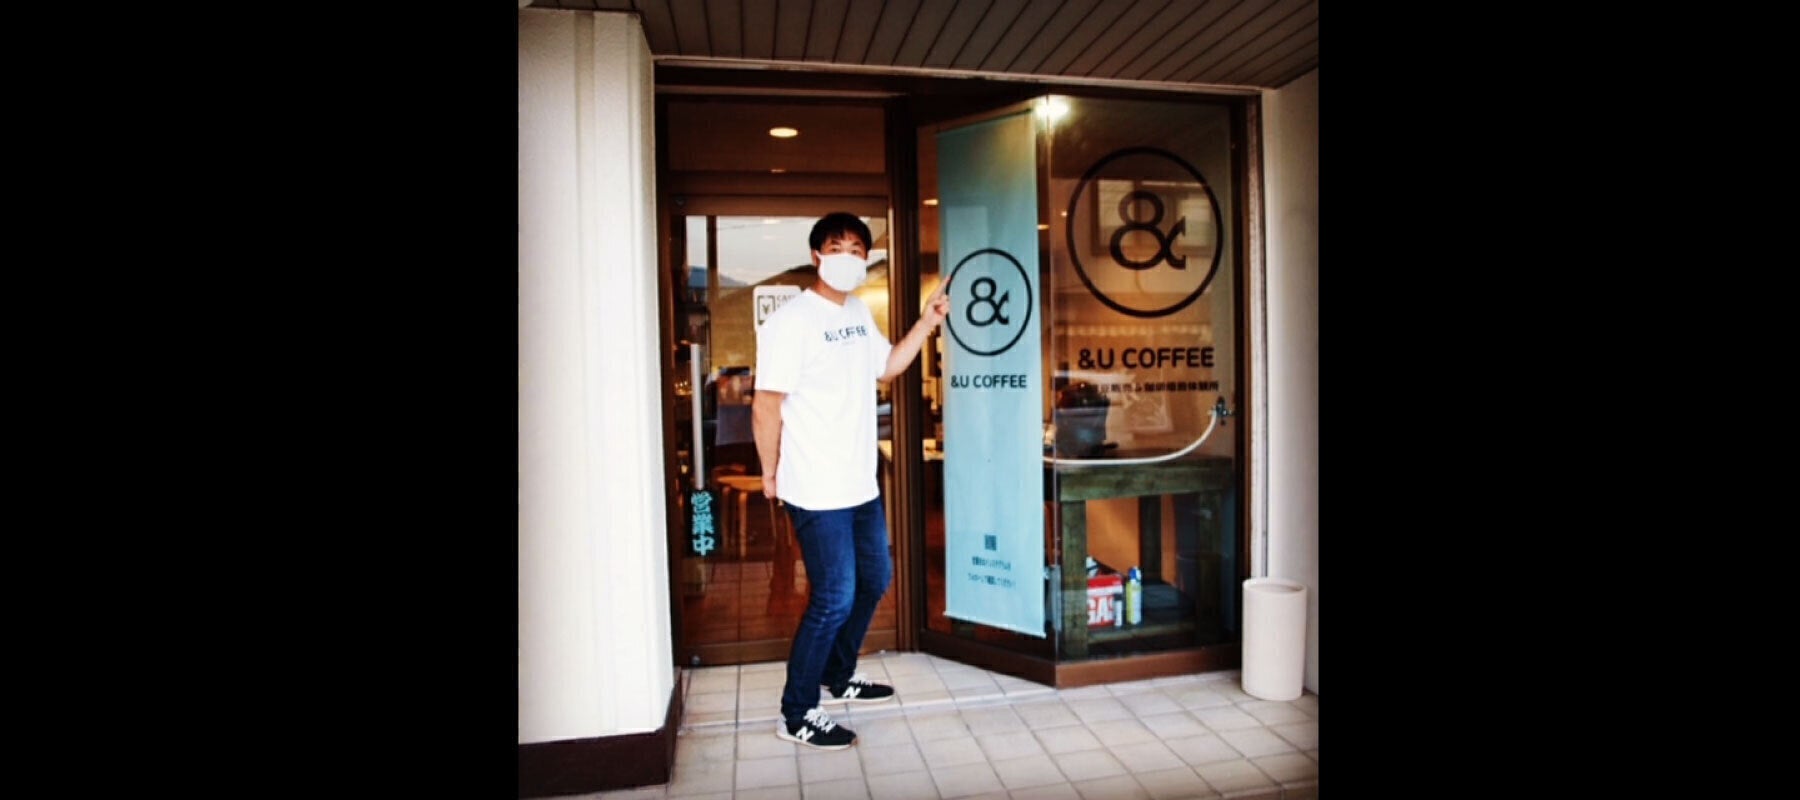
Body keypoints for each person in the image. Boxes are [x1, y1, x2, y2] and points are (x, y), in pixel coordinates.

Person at [753, 212, 950, 749]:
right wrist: (769, 472)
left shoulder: (859, 311)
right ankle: (797, 713)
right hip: (815, 486)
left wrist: (927, 323)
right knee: (833, 597)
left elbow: (887, 366)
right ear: (816, 256)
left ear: (866, 258)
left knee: (874, 579)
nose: (847, 256)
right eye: (836, 247)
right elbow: (766, 404)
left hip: (859, 481)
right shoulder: (791, 321)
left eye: (857, 249)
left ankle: (837, 676)